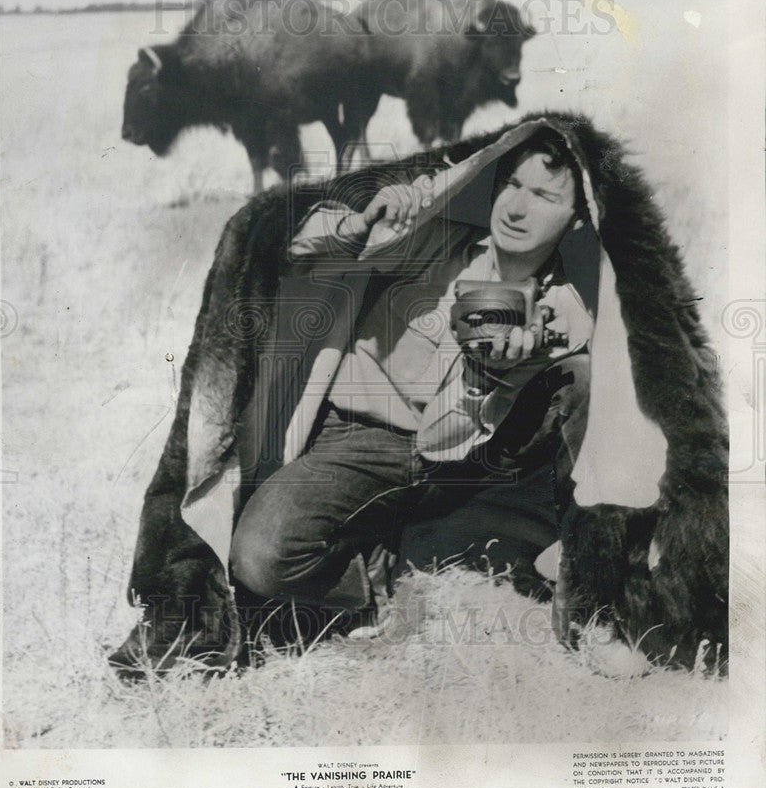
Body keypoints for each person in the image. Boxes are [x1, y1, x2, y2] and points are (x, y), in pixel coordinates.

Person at [227, 130, 595, 632]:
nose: (515, 208)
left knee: (581, 378)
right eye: (512, 184)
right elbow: (298, 248)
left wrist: (487, 376)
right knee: (259, 558)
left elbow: (446, 436)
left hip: (450, 460)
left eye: (544, 196)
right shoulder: (437, 238)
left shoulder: (561, 314)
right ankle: (367, 578)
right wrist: (367, 219)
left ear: (575, 220)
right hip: (350, 438)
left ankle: (582, 584)